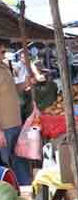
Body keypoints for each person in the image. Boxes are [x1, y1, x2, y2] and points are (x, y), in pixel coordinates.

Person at [0, 40, 29, 185]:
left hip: (15, 123)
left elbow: (12, 90)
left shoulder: (4, 67)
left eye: (4, 52)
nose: (4, 55)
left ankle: (26, 189)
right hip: (4, 128)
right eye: (1, 52)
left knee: (19, 159)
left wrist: (25, 83)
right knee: (6, 166)